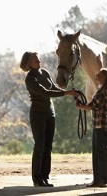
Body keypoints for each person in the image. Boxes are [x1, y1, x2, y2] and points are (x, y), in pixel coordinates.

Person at [20, 52, 78, 187]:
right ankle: (37, 178)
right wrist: (66, 93)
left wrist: (67, 90)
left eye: (38, 58)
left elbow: (52, 87)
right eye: (35, 59)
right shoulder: (30, 79)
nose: (39, 60)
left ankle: (45, 176)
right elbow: (45, 92)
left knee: (48, 146)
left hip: (50, 113)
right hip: (38, 114)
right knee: (39, 146)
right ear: (29, 63)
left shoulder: (44, 72)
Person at [75, 57, 107, 188]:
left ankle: (105, 179)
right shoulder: (106, 90)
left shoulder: (102, 92)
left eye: (99, 75)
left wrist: (79, 106)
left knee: (102, 153)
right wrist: (99, 63)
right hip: (100, 125)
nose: (96, 76)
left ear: (104, 78)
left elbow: (92, 106)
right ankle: (99, 179)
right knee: (99, 152)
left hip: (101, 125)